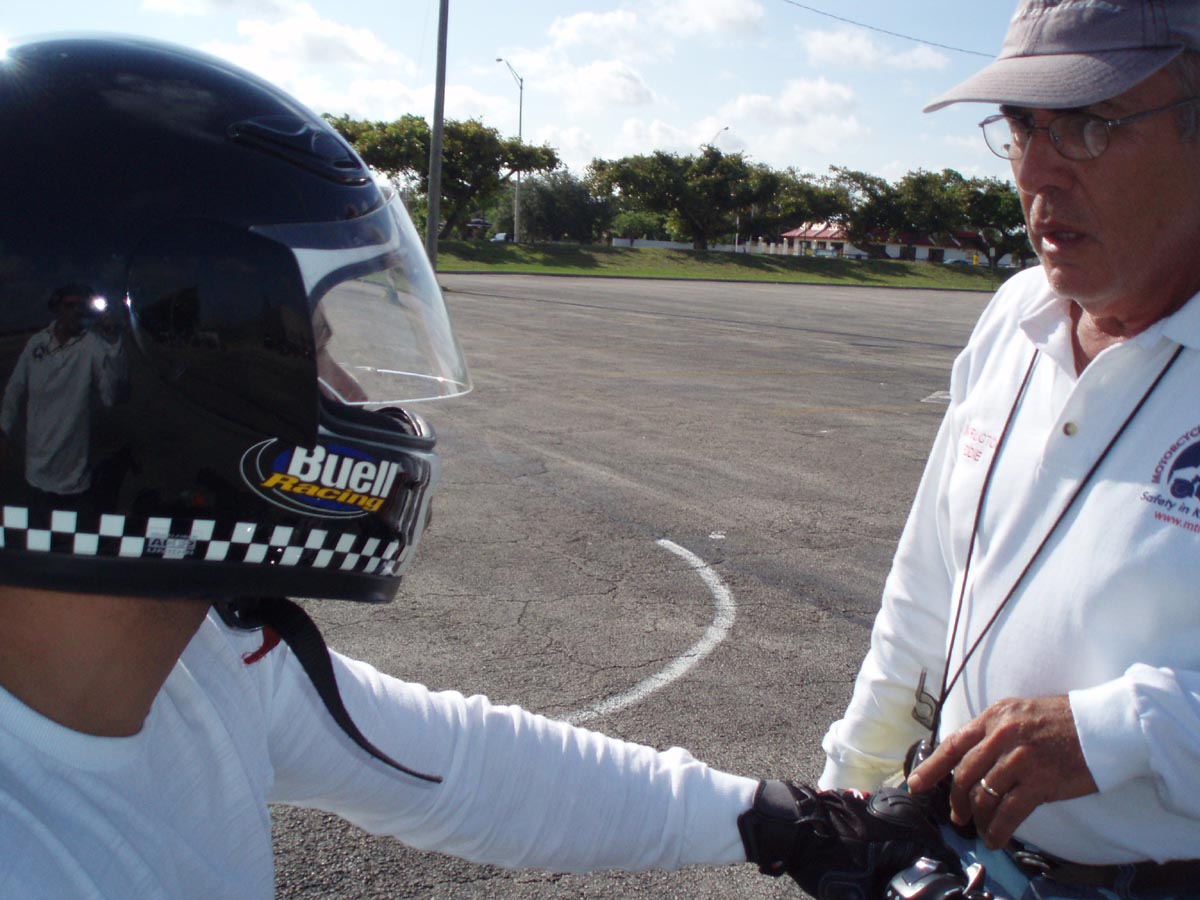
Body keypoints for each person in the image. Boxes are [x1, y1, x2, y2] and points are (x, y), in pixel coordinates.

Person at [0, 35, 961, 900]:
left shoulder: (202, 665)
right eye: (318, 348)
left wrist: (777, 819)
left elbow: (462, 767)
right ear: (177, 364)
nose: (353, 394)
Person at [819, 1, 1200, 897]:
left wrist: (1117, 733)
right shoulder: (1014, 316)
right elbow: (928, 586)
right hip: (965, 860)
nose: (1036, 171)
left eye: (1090, 124)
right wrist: (847, 788)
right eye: (1023, 126)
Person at [0, 283, 125, 501]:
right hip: (35, 470)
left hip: (74, 478)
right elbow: (14, 388)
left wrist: (113, 341)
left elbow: (111, 397)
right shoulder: (37, 343)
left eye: (80, 306)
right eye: (69, 305)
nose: (75, 311)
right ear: (57, 308)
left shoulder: (93, 344)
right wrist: (3, 430)